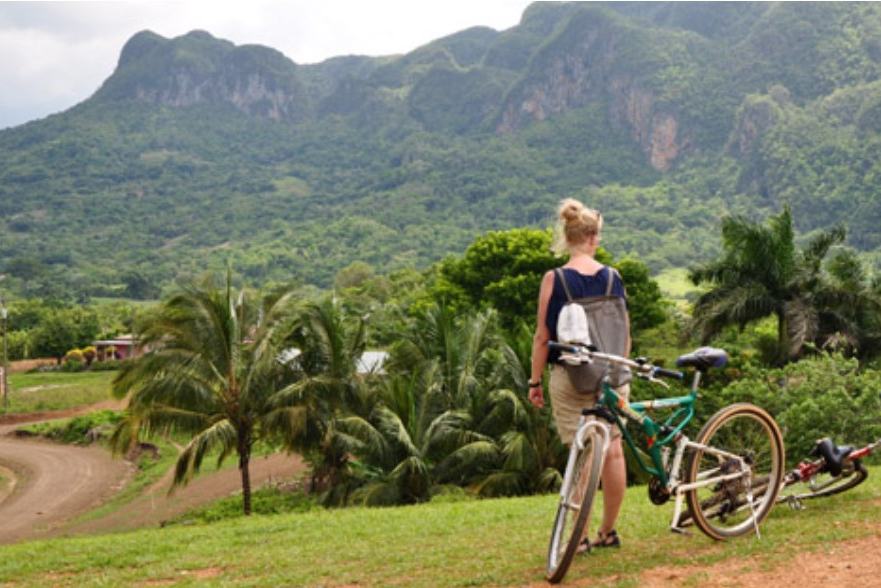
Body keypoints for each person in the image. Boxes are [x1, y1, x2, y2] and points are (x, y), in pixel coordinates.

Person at [527, 197, 630, 551]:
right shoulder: (613, 277)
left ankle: (579, 536)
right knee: (613, 451)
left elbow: (543, 336)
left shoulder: (553, 279)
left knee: (582, 453)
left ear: (568, 237)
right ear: (593, 238)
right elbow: (625, 333)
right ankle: (608, 531)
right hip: (612, 376)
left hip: (570, 377)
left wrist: (535, 381)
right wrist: (618, 376)